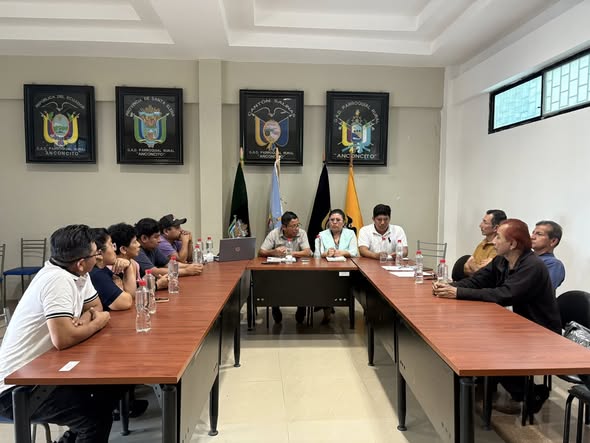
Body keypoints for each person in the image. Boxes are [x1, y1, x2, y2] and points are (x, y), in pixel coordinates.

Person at [0, 224, 124, 443]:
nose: (98, 256)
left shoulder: (77, 272)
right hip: (15, 389)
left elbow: (96, 307)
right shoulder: (56, 280)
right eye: (95, 253)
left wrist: (83, 320)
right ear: (81, 262)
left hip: (44, 371)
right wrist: (96, 323)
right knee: (94, 418)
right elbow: (63, 339)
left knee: (110, 388)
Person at [433, 218, 560, 414]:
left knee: (494, 344)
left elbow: (504, 294)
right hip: (518, 323)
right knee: (479, 334)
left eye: (499, 237)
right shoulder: (502, 260)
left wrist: (457, 293)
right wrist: (448, 287)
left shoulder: (532, 265)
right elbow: (477, 281)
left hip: (541, 329)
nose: (493, 242)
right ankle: (482, 383)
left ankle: (527, 394)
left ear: (513, 244)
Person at [259, 211, 312, 324]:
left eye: (298, 225)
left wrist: (292, 253)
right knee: (273, 283)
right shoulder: (274, 233)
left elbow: (307, 252)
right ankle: (275, 305)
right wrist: (274, 252)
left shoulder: (302, 233)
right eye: (293, 226)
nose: (296, 228)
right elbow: (261, 252)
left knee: (305, 282)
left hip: (298, 272)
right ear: (284, 227)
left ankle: (302, 306)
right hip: (278, 272)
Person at [317, 209, 358, 324]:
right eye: (332, 220)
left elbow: (354, 252)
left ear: (343, 222)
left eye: (338, 220)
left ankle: (336, 305)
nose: (334, 222)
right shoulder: (322, 235)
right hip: (326, 270)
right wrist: (326, 253)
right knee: (325, 284)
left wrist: (342, 252)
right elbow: (317, 254)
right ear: (328, 221)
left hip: (346, 269)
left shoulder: (350, 233)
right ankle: (327, 310)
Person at [134, 218, 203, 278]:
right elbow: (154, 271)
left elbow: (168, 264)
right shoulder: (137, 251)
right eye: (156, 237)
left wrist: (191, 266)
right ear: (144, 238)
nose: (159, 240)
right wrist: (186, 271)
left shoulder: (152, 247)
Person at [109, 222, 168, 291]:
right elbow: (130, 294)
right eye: (134, 242)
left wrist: (156, 282)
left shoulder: (134, 263)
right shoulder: (112, 269)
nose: (139, 244)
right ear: (123, 249)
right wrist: (157, 285)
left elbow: (139, 287)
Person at [89, 228, 135, 311]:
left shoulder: (103, 269)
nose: (115, 249)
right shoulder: (95, 274)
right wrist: (121, 290)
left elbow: (132, 295)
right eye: (111, 245)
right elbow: (126, 302)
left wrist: (129, 267)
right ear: (99, 253)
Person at [463, 209, 507, 277]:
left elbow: (486, 275)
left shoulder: (499, 248)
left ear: (496, 228)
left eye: (485, 223)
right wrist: (476, 268)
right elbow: (466, 268)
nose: (480, 225)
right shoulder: (482, 243)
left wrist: (473, 266)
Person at [531, 220, 565, 290]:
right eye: (533, 233)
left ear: (553, 241)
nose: (532, 237)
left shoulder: (553, 264)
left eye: (539, 234)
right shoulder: (525, 259)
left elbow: (543, 290)